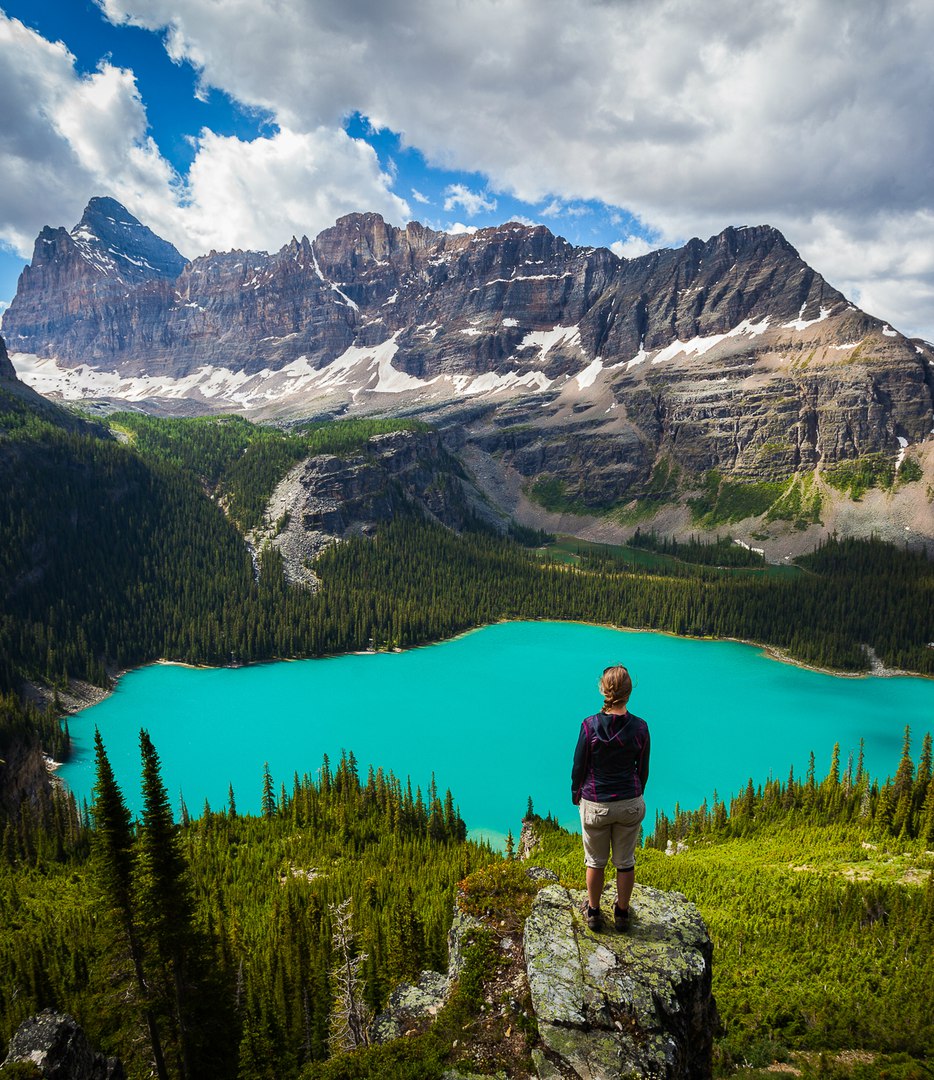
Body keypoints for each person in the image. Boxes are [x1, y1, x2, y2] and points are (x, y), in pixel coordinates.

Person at [571, 664, 650, 932]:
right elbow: (643, 769)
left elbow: (579, 766)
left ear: (603, 690)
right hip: (629, 803)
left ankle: (594, 912)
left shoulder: (589, 725)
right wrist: (634, 794)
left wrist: (576, 794)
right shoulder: (640, 727)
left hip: (595, 804)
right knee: (625, 862)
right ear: (628, 693)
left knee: (595, 861)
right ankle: (623, 913)